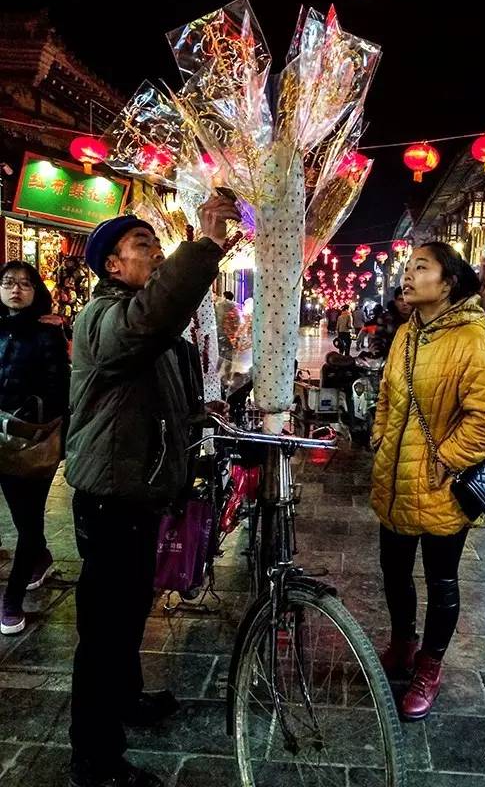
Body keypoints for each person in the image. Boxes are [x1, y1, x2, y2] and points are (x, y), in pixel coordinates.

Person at [65, 195, 239, 787]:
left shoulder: (153, 331)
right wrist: (205, 248)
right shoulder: (106, 319)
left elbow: (173, 399)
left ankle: (126, 698)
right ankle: (94, 758)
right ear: (112, 265)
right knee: (104, 628)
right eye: (144, 245)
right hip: (109, 498)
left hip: (140, 496)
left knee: (130, 608)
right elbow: (151, 319)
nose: (156, 252)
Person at [371, 242, 485, 721]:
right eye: (407, 269)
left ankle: (429, 667)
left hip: (441, 486)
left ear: (448, 283)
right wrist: (380, 437)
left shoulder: (471, 341)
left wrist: (445, 459)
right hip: (394, 478)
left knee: (441, 580)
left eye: (420, 268)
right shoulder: (407, 334)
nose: (407, 277)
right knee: (392, 569)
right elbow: (389, 396)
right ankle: (403, 644)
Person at [0, 262, 70, 636]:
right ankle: (39, 557)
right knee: (20, 518)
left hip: (30, 442)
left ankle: (12, 599)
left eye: (25, 284)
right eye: (9, 283)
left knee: (27, 522)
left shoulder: (48, 333)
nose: (16, 290)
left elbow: (60, 389)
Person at [214, 290, 241, 392]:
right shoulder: (235, 309)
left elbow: (216, 320)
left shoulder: (218, 306)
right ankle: (226, 379)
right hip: (230, 337)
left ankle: (215, 376)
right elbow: (238, 323)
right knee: (229, 358)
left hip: (220, 335)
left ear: (224, 296)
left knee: (220, 356)